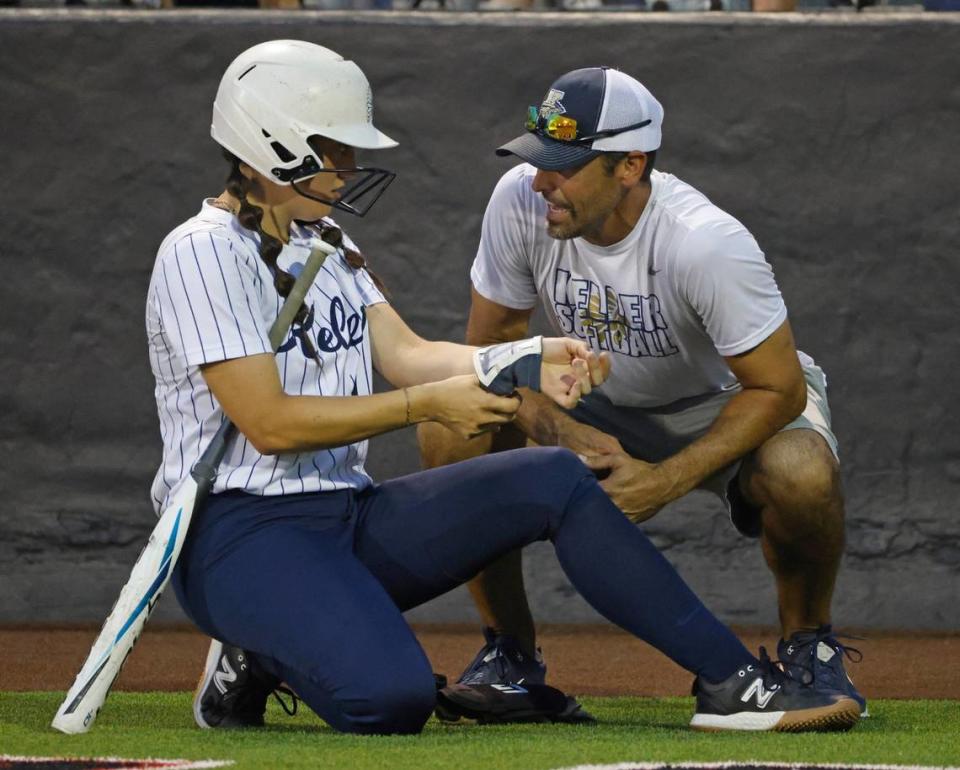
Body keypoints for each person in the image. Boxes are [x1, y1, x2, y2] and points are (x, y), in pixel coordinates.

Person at [148, 41, 859, 736]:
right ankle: (263, 642)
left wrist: (532, 358)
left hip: (342, 516)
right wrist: (434, 402)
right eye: (336, 149)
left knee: (553, 479)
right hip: (240, 534)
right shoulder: (201, 254)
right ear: (274, 145)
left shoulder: (323, 241)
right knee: (390, 701)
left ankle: (733, 683)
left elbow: (410, 355)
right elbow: (270, 424)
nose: (351, 166)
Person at [419, 66, 866, 717]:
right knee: (453, 424)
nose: (540, 181)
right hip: (594, 398)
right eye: (536, 160)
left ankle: (808, 650)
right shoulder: (520, 201)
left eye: (563, 166)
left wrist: (666, 480)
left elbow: (778, 387)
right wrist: (559, 428)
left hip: (721, 400)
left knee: (801, 474)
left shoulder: (705, 244)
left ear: (629, 166)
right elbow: (491, 355)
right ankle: (510, 658)